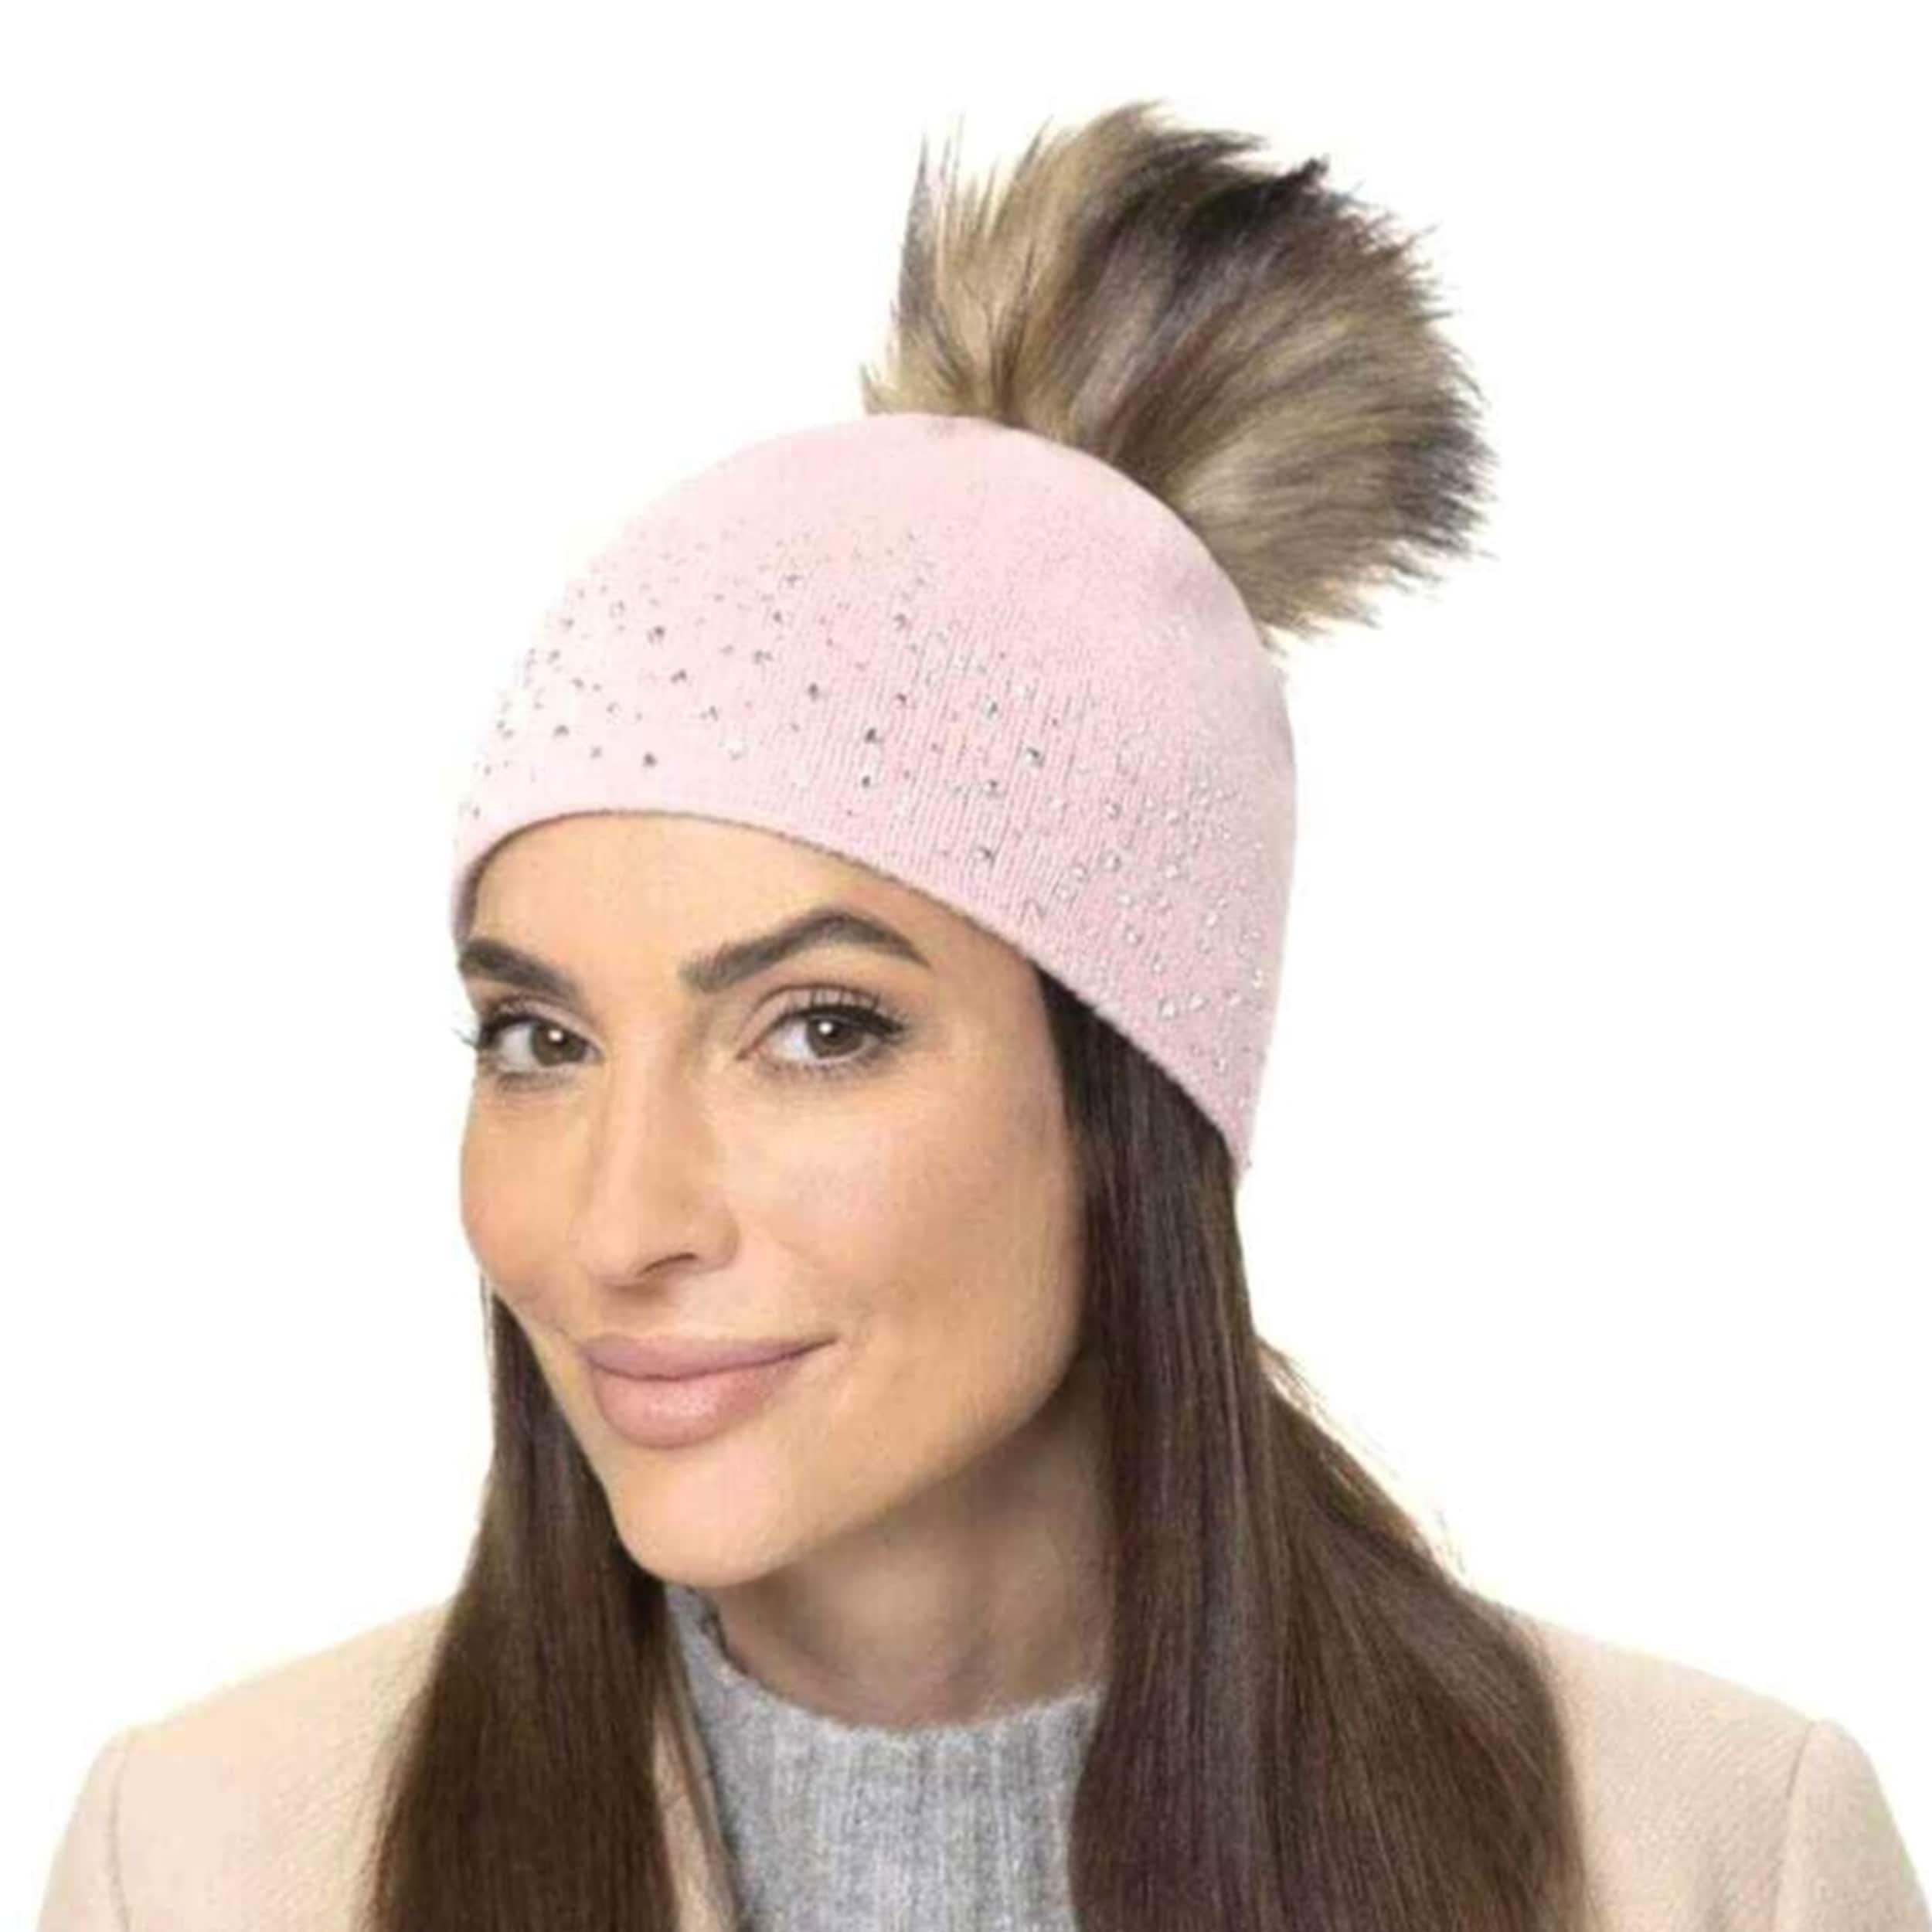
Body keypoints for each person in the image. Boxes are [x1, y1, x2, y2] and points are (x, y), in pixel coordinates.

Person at [38, 97, 1928, 1932]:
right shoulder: (204, 1866)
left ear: (1128, 1097)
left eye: (818, 1027)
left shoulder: (1702, 1862)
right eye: (541, 1039)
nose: (618, 1223)